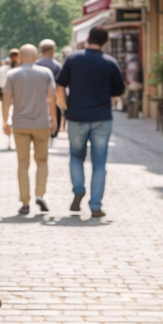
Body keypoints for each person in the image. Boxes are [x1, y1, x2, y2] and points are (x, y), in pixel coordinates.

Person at [55, 26, 125, 218]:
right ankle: (95, 204)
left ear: (87, 38)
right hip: (101, 117)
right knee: (99, 163)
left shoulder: (73, 58)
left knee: (76, 156)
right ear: (106, 42)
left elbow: (60, 84)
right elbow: (119, 90)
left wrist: (64, 107)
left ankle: (78, 188)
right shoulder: (110, 62)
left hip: (77, 116)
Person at [2, 45, 57, 215]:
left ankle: (25, 202)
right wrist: (53, 119)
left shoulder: (12, 74)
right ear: (35, 57)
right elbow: (52, 97)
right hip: (41, 123)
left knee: (23, 163)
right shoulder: (46, 73)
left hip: (20, 125)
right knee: (42, 161)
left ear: (19, 58)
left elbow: (6, 99)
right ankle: (40, 194)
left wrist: (5, 121)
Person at [36, 39, 63, 138]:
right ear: (53, 50)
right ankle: (53, 133)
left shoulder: (35, 64)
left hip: (37, 99)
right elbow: (60, 85)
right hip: (54, 98)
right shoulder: (57, 65)